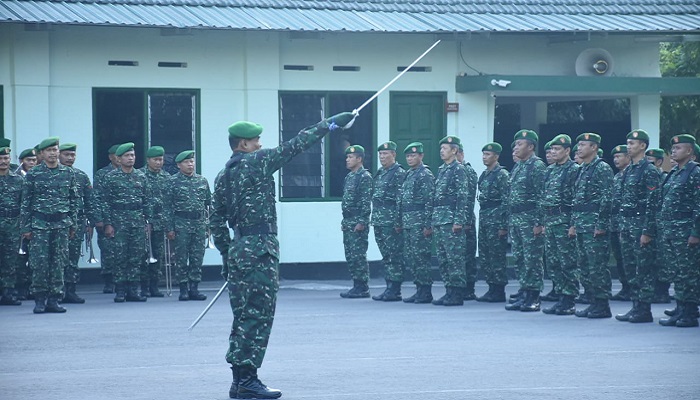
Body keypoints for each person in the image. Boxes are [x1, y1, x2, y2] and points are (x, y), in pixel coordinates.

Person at [210, 112, 355, 399]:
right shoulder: (256, 163)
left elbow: (215, 220)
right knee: (258, 315)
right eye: (255, 141)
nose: (260, 145)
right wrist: (328, 124)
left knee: (242, 316)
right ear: (243, 145)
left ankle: (239, 380)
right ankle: (249, 380)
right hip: (259, 248)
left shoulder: (223, 175)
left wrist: (228, 254)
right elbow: (295, 145)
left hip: (239, 248)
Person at [20, 137, 78, 314]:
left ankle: (54, 299)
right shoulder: (34, 174)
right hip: (40, 224)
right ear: (42, 154)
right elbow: (26, 202)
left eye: (55, 150)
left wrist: (72, 224)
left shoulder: (68, 173)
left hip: (61, 224)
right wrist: (26, 228)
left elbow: (74, 200)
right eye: (49, 151)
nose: (53, 153)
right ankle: (39, 299)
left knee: (58, 263)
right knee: (40, 263)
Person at [615, 129, 660, 323]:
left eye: (632, 143)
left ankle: (644, 309)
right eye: (628, 143)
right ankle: (635, 305)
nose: (629, 146)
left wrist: (648, 231)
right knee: (631, 267)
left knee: (643, 268)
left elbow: (654, 203)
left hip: (640, 226)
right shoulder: (630, 170)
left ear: (642, 146)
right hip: (627, 225)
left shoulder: (648, 171)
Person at [101, 143, 153, 303]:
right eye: (127, 156)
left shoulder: (141, 176)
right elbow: (105, 202)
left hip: (137, 221)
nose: (131, 158)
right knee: (120, 257)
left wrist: (148, 222)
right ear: (119, 158)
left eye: (133, 155)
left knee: (135, 257)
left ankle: (133, 290)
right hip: (118, 221)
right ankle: (120, 290)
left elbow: (147, 201)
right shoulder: (111, 177)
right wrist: (108, 224)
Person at [657, 134, 700, 328]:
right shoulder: (674, 173)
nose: (674, 152)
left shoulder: (695, 173)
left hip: (685, 232)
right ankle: (680, 308)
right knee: (677, 272)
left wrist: (696, 232)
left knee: (688, 273)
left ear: (689, 151)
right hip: (671, 231)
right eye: (672, 149)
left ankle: (690, 312)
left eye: (678, 148)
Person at [570, 133, 614, 319]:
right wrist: (573, 224)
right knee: (585, 265)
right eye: (578, 145)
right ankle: (592, 300)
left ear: (594, 147)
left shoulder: (602, 168)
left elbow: (607, 198)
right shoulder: (582, 169)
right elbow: (576, 199)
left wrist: (602, 224)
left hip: (594, 225)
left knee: (597, 266)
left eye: (583, 145)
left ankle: (602, 304)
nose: (579, 148)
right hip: (581, 223)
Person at [505, 130, 546, 312]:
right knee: (520, 258)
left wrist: (538, 222)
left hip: (530, 220)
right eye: (515, 144)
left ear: (530, 147)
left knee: (532, 259)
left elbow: (541, 196)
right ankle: (524, 291)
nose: (516, 147)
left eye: (520, 144)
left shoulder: (536, 166)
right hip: (517, 219)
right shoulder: (520, 166)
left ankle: (534, 296)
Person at [540, 134, 580, 316]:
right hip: (551, 220)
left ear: (567, 151)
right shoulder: (550, 170)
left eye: (557, 149)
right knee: (553, 262)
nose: (553, 152)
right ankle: (560, 295)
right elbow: (544, 197)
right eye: (552, 149)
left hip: (564, 220)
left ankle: (569, 298)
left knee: (567, 262)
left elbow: (576, 200)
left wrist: (573, 224)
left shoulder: (574, 170)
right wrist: (542, 222)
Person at [164, 150, 211, 301]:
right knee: (181, 257)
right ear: (178, 165)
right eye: (186, 162)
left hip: (198, 223)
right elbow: (167, 207)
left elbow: (208, 205)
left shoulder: (202, 181)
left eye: (192, 161)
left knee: (197, 257)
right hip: (181, 223)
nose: (190, 164)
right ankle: (183, 288)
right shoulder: (172, 182)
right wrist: (170, 228)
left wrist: (208, 225)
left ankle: (194, 288)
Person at [431, 136, 469, 306]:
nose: (441, 151)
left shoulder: (458, 169)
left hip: (451, 220)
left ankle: (457, 293)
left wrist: (458, 220)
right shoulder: (442, 169)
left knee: (454, 258)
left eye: (445, 148)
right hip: (440, 219)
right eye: (441, 148)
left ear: (454, 151)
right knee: (443, 258)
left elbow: (462, 197)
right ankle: (448, 290)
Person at [58, 143, 96, 304]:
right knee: (56, 258)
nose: (69, 158)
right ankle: (55, 291)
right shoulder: (53, 174)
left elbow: (89, 201)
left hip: (77, 222)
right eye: (66, 155)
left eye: (72, 155)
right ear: (59, 155)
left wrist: (91, 223)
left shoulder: (81, 176)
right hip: (56, 222)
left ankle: (71, 290)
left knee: (73, 258)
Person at [370, 141, 407, 302]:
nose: (382, 157)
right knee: (386, 255)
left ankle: (395, 288)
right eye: (380, 154)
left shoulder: (398, 173)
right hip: (379, 219)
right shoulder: (380, 173)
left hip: (391, 220)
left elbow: (400, 199)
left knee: (394, 255)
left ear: (394, 155)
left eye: (386, 154)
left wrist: (398, 221)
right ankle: (388, 286)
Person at [399, 142, 435, 303]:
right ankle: (419, 289)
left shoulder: (425, 174)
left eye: (413, 155)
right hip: (408, 222)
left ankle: (426, 291)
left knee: (421, 258)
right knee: (412, 258)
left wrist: (428, 224)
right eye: (408, 156)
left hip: (419, 223)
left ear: (421, 156)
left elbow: (429, 201)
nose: (410, 159)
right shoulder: (409, 174)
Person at [476, 142, 510, 302]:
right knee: (485, 254)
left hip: (496, 219)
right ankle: (491, 287)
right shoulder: (485, 174)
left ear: (496, 156)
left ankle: (499, 289)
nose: (484, 157)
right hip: (485, 217)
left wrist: (503, 225)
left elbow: (506, 200)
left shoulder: (501, 174)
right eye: (483, 154)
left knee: (497, 255)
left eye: (488, 154)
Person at [340, 144, 373, 299]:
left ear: (359, 159)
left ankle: (362, 286)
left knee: (358, 254)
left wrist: (362, 221)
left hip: (358, 221)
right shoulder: (349, 176)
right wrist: (344, 220)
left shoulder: (364, 177)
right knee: (350, 254)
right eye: (347, 157)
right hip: (348, 220)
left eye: (351, 157)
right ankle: (356, 284)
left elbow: (366, 202)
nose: (347, 160)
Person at [139, 146, 170, 297]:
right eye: (155, 160)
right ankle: (143, 286)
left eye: (160, 160)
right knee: (143, 255)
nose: (158, 162)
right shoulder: (140, 175)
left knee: (158, 254)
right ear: (148, 160)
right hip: (144, 222)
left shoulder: (166, 177)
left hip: (160, 221)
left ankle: (154, 286)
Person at [645, 148, 672, 304]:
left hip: (663, 224)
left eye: (652, 162)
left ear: (660, 162)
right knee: (651, 258)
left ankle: (662, 291)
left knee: (662, 258)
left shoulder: (665, 178)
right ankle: (654, 289)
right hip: (651, 223)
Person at [93, 144, 120, 293]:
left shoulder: (130, 174)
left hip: (123, 217)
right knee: (108, 250)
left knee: (122, 250)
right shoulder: (102, 174)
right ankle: (109, 281)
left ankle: (122, 280)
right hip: (106, 217)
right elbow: (97, 198)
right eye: (117, 155)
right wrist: (99, 219)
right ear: (111, 157)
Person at [0, 146, 23, 306]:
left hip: (12, 224)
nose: (3, 162)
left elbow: (24, 204)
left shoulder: (18, 180)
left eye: (6, 158)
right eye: (0, 159)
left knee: (10, 259)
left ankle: (8, 292)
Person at [456, 144, 479, 300]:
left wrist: (466, 220)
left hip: (466, 218)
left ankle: (469, 288)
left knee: (468, 254)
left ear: (461, 154)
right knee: (459, 254)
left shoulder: (467, 171)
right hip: (456, 218)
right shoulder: (448, 170)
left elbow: (468, 197)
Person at [609, 145, 631, 301]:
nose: (616, 160)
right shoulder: (617, 177)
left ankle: (633, 288)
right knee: (619, 256)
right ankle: (625, 287)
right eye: (615, 157)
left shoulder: (633, 175)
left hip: (629, 223)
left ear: (628, 157)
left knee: (630, 257)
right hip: (615, 223)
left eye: (619, 156)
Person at [14, 148, 37, 300]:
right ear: (22, 161)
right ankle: (21, 287)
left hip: (37, 221)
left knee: (35, 256)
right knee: (20, 257)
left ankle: (33, 286)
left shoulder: (38, 176)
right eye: (29, 160)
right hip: (18, 221)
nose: (32, 163)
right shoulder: (15, 177)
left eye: (34, 160)